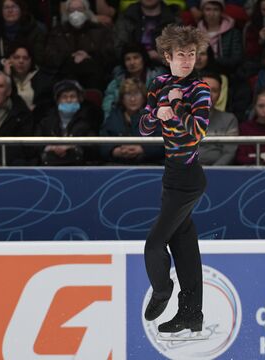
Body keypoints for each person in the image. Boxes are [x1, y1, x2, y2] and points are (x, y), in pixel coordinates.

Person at [139, 24, 210, 337]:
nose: (187, 60)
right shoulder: (158, 84)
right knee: (184, 247)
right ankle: (191, 314)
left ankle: (162, 289)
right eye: (181, 54)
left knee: (154, 245)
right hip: (172, 175)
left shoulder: (200, 89)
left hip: (189, 178)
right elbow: (143, 127)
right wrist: (158, 112)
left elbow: (198, 131)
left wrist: (177, 104)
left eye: (192, 54)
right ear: (167, 56)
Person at [44, 0, 115, 90]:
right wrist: (70, 57)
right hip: (65, 74)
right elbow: (50, 56)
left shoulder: (100, 31)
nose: (76, 13)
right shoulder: (57, 32)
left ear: (86, 11)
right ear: (67, 13)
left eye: (80, 9)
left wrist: (89, 56)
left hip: (94, 75)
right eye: (72, 10)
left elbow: (109, 55)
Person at [36, 79, 102, 165]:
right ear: (58, 100)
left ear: (79, 99)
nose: (69, 100)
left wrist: (73, 146)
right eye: (64, 97)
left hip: (79, 165)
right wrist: (51, 148)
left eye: (73, 96)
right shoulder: (47, 120)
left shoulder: (88, 119)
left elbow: (93, 146)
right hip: (50, 164)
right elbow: (36, 144)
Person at [100, 78, 164, 164]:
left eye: (136, 94)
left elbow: (164, 144)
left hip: (148, 165)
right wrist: (115, 151)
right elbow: (102, 144)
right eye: (128, 94)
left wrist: (142, 149)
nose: (132, 99)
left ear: (143, 97)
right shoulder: (113, 117)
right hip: (118, 166)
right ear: (122, 98)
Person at [0, 0, 47, 76]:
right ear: (1, 11)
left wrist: (20, 63)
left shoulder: (36, 30)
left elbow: (40, 60)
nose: (10, 10)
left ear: (21, 9)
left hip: (30, 75)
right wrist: (3, 63)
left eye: (14, 7)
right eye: (6, 7)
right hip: (0, 76)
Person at [102, 43, 165, 119]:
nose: (132, 62)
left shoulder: (158, 77)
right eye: (128, 59)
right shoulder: (116, 82)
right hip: (123, 121)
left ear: (143, 59)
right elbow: (108, 106)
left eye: (136, 57)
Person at [113, 0, 179, 64]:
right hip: (130, 68)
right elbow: (118, 48)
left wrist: (161, 58)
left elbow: (181, 53)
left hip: (165, 67)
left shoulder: (173, 19)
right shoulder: (126, 17)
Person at [3, 42, 55, 117]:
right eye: (16, 57)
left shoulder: (42, 79)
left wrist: (37, 109)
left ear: (31, 61)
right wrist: (7, 77)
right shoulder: (0, 78)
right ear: (9, 60)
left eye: (25, 58)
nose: (21, 61)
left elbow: (47, 105)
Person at [199, 71, 239, 165]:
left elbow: (229, 153)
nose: (209, 94)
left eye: (214, 90)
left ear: (220, 95)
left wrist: (212, 171)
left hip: (217, 173)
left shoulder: (229, 119)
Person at [197, 0, 243, 73]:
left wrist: (214, 60)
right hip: (201, 72)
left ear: (221, 12)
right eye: (208, 9)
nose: (212, 14)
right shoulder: (195, 33)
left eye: (216, 9)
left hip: (226, 72)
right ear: (202, 11)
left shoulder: (233, 33)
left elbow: (236, 59)